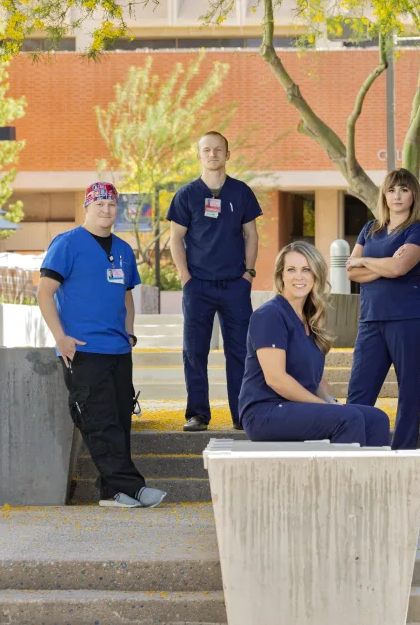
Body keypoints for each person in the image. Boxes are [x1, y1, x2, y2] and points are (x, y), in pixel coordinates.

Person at [37, 181, 166, 509]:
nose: (106, 210)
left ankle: (112, 494)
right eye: (100, 205)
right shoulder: (67, 244)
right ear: (87, 207)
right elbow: (44, 292)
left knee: (120, 421)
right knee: (99, 420)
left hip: (118, 350)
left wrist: (130, 333)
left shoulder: (123, 249)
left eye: (111, 205)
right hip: (83, 350)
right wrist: (60, 338)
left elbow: (126, 296)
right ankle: (134, 487)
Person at [239, 241, 391, 446]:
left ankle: (372, 478)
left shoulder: (309, 317)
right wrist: (325, 407)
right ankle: (344, 478)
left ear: (316, 275)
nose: (299, 277)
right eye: (291, 269)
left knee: (376, 418)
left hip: (296, 408)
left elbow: (315, 377)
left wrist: (331, 401)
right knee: (348, 418)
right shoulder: (270, 315)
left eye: (306, 270)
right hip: (265, 412)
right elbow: (276, 379)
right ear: (281, 275)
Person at [167, 131, 263, 432]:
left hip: (235, 285)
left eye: (218, 149)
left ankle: (241, 414)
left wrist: (248, 274)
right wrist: (186, 278)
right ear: (199, 156)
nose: (212, 154)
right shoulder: (186, 195)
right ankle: (197, 414)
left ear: (227, 154)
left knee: (240, 351)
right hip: (198, 286)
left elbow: (252, 235)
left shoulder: (242, 192)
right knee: (194, 350)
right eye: (206, 150)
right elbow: (175, 239)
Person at [345, 169, 420, 450]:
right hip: (371, 319)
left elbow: (399, 268)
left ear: (413, 195)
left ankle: (404, 449)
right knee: (359, 388)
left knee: (407, 388)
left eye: (404, 190)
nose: (397, 195)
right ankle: (352, 445)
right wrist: (382, 263)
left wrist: (367, 261)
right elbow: (350, 272)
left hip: (407, 318)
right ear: (384, 194)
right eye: (392, 189)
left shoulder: (418, 230)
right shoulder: (370, 229)